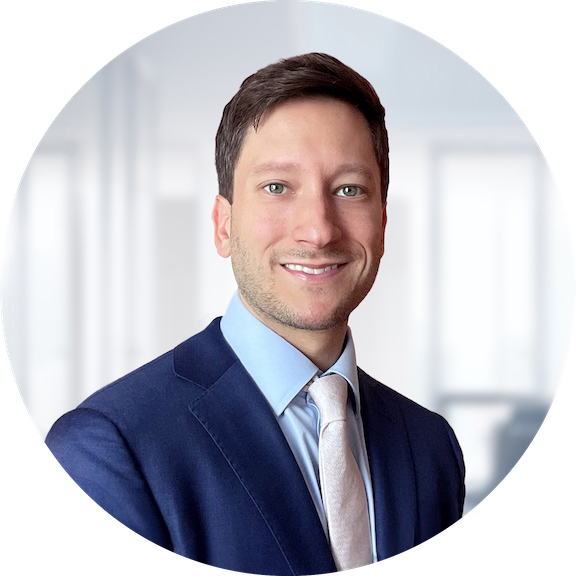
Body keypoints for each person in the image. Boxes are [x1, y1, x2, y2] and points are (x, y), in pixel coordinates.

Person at [45, 53, 465, 576]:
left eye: (349, 190)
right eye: (277, 187)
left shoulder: (431, 447)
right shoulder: (109, 451)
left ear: (381, 222)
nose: (319, 230)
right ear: (224, 225)